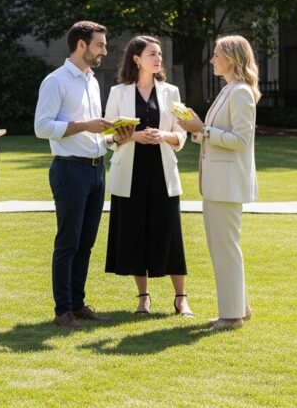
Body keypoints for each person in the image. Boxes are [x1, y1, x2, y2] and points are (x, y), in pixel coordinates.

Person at [34, 21, 118, 330]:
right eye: (100, 45)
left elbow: (94, 131)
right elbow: (41, 128)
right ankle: (63, 311)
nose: (104, 51)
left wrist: (111, 137)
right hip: (69, 170)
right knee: (68, 242)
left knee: (86, 242)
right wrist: (85, 126)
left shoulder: (92, 81)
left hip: (96, 169)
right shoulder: (55, 82)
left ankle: (78, 304)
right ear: (80, 45)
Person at [103, 35, 192, 317]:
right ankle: (143, 299)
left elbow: (182, 133)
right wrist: (134, 137)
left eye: (159, 55)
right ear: (136, 58)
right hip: (129, 175)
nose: (158, 59)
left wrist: (163, 136)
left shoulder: (171, 92)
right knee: (134, 236)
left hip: (162, 173)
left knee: (170, 235)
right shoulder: (118, 93)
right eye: (152, 54)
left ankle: (181, 299)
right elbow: (107, 137)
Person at [177, 34, 260, 331]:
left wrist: (204, 129)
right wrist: (195, 128)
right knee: (222, 247)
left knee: (226, 248)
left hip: (227, 184)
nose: (212, 60)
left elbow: (240, 141)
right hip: (216, 183)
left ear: (233, 59)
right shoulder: (229, 90)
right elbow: (212, 133)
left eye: (216, 55)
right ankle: (241, 307)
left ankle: (232, 315)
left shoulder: (240, 93)